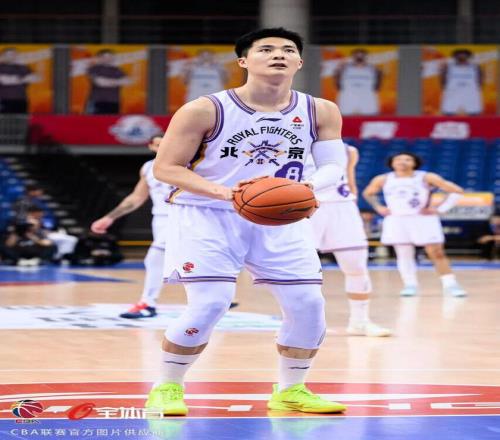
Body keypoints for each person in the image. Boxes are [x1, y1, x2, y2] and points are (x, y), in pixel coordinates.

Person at [147, 27, 348, 416]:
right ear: (243, 60)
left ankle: (290, 390)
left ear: (299, 61)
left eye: (287, 50)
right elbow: (166, 168)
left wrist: (303, 189)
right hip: (207, 213)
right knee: (211, 303)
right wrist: (225, 193)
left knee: (308, 304)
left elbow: (333, 166)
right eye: (266, 49)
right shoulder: (204, 109)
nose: (278, 54)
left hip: (280, 214)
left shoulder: (320, 110)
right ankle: (167, 386)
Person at [304, 145, 391, 337]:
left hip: (342, 207)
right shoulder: (290, 141)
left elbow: (351, 183)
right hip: (302, 205)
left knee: (356, 267)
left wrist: (352, 206)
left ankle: (360, 322)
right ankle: (296, 323)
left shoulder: (349, 150)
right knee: (299, 269)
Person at [363, 152, 467, 297]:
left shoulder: (426, 177)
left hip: (423, 219)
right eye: (398, 159)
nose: (402, 161)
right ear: (392, 163)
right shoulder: (383, 179)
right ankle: (410, 285)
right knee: (403, 254)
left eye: (407, 159)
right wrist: (378, 207)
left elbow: (457, 191)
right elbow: (368, 193)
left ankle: (450, 284)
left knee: (436, 253)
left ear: (414, 163)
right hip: (397, 220)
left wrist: (440, 209)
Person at [91, 135, 170, 318]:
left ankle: (147, 304)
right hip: (160, 219)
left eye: (165, 143)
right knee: (188, 260)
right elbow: (136, 197)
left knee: (155, 257)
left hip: (183, 217)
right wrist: (109, 218)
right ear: (151, 147)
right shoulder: (148, 168)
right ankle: (214, 297)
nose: (162, 148)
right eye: (158, 145)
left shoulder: (187, 163)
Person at [334, 48, 382, 115]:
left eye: (362, 56)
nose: (359, 58)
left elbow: (378, 84)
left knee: (371, 116)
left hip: (367, 97)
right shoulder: (344, 68)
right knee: (343, 116)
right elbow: (337, 82)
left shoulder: (373, 69)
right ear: (353, 57)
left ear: (365, 57)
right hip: (348, 97)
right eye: (357, 56)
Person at [85, 49, 132, 114]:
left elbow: (128, 81)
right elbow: (100, 82)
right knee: (93, 120)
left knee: (112, 120)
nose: (108, 59)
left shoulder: (117, 70)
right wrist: (119, 81)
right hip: (96, 102)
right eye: (105, 57)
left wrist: (108, 81)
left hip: (114, 102)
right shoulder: (93, 69)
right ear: (99, 58)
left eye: (110, 57)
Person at [440, 48, 483, 115]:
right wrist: (446, 89)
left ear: (468, 56)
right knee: (448, 115)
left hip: (470, 95)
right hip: (452, 95)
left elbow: (480, 80)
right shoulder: (448, 67)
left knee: (475, 115)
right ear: (455, 56)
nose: (461, 55)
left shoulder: (475, 67)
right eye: (459, 54)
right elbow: (443, 81)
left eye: (464, 54)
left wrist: (475, 88)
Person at [0, 47, 39, 113]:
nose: (11, 56)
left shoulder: (23, 67)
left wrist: (16, 79)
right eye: (8, 54)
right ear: (3, 56)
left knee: (21, 118)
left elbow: (36, 78)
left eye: (13, 54)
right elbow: (4, 81)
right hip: (4, 99)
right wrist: (25, 78)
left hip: (21, 99)